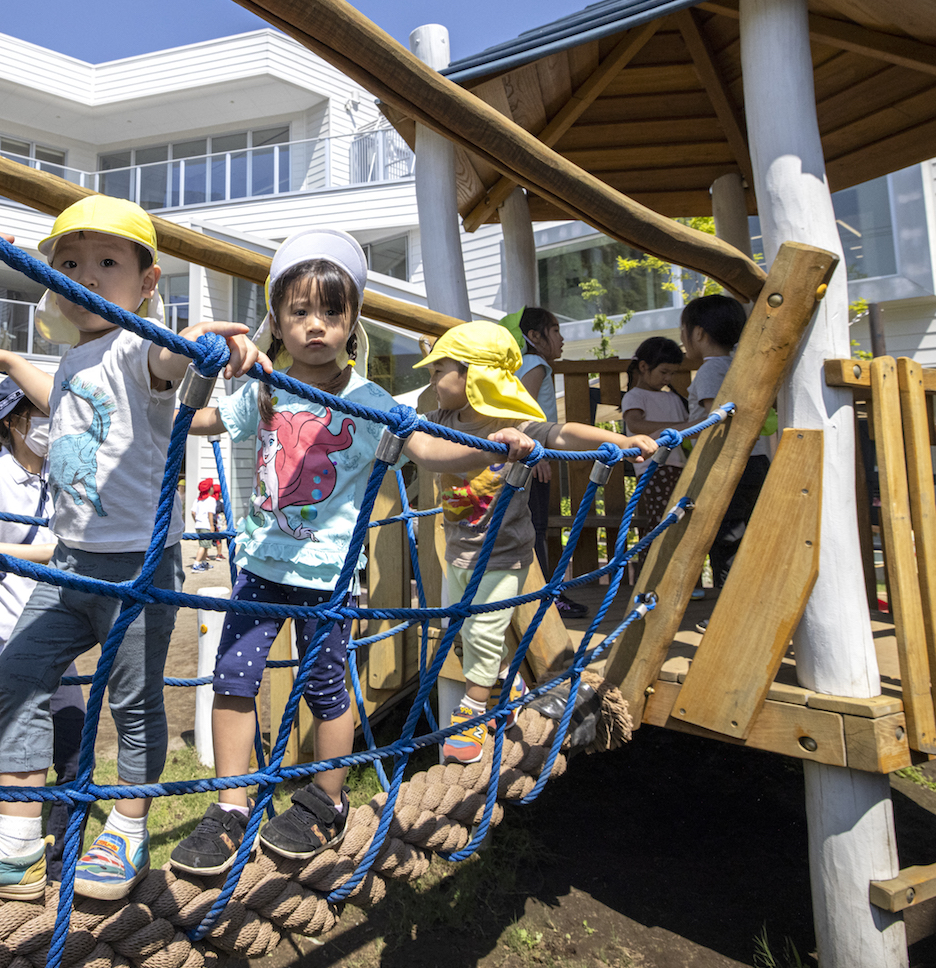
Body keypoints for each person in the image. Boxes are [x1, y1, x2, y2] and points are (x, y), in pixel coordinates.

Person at [0, 194, 260, 903]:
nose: (87, 275)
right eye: (70, 263)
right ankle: (15, 841)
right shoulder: (75, 359)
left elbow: (168, 361)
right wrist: (14, 359)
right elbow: (66, 397)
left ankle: (127, 828)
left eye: (108, 262)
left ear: (146, 282)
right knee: (16, 673)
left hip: (136, 568)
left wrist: (200, 343)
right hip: (69, 564)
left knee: (134, 704)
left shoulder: (140, 344)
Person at [169, 231, 542, 874]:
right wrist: (193, 366)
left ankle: (325, 800)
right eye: (300, 312)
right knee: (233, 682)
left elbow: (429, 451)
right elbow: (190, 419)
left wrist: (492, 447)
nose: (316, 326)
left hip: (328, 578)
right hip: (259, 566)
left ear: (352, 322)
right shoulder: (262, 388)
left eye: (332, 313)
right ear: (278, 322)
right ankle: (231, 808)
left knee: (327, 689)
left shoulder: (368, 403)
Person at [419, 322, 656, 765]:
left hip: (503, 553)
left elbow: (564, 434)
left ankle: (474, 712)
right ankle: (510, 685)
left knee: (485, 632)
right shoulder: (442, 421)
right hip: (458, 550)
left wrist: (619, 440)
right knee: (460, 632)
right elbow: (414, 438)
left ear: (474, 375)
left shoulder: (514, 425)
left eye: (440, 370)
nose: (432, 381)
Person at [0, 378, 84, 864]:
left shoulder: (65, 479)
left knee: (72, 757)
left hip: (54, 646)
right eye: (38, 413)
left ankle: (59, 865)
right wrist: (51, 552)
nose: (49, 424)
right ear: (12, 421)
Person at [679, 294, 767, 594]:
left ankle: (725, 613)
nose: (683, 339)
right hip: (754, 460)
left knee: (724, 537)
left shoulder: (710, 370)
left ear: (699, 333)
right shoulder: (739, 366)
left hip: (727, 464)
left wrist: (673, 432)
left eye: (684, 331)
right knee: (742, 535)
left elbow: (713, 420)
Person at [501, 308, 563, 582]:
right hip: (532, 456)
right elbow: (524, 411)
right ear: (535, 336)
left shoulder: (524, 363)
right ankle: (542, 595)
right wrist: (537, 455)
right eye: (556, 331)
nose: (562, 339)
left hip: (528, 455)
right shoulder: (535, 363)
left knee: (533, 523)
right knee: (536, 526)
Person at [619, 336, 689, 556]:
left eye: (672, 373)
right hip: (653, 468)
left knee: (680, 520)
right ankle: (648, 577)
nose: (668, 378)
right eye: (663, 372)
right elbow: (636, 424)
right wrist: (679, 427)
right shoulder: (634, 396)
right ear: (643, 367)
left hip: (679, 466)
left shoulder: (674, 398)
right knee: (660, 520)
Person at [189, 481, 219, 571]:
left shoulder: (197, 500)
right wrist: (211, 526)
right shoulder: (211, 500)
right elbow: (210, 513)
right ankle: (196, 564)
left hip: (198, 525)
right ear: (210, 489)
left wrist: (197, 521)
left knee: (206, 544)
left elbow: (193, 512)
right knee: (203, 545)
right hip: (206, 525)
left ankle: (203, 562)